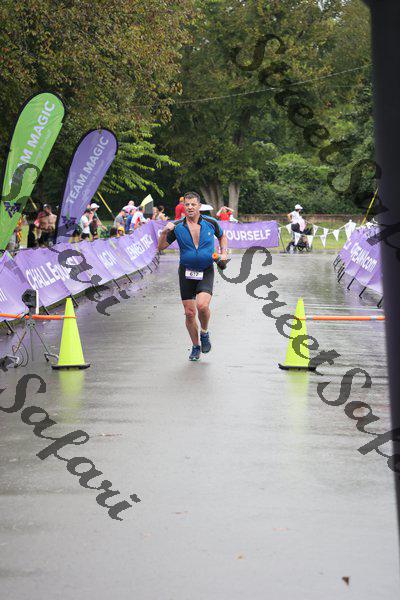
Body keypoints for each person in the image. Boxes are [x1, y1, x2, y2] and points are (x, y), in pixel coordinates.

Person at [158, 191, 228, 361]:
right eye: (187, 205)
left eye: (193, 204)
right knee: (189, 313)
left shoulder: (211, 222)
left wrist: (224, 253)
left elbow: (222, 236)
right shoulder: (177, 226)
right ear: (184, 207)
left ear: (199, 206)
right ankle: (196, 346)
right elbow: (161, 247)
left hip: (206, 269)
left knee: (202, 306)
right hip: (186, 272)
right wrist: (164, 232)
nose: (190, 207)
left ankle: (204, 332)